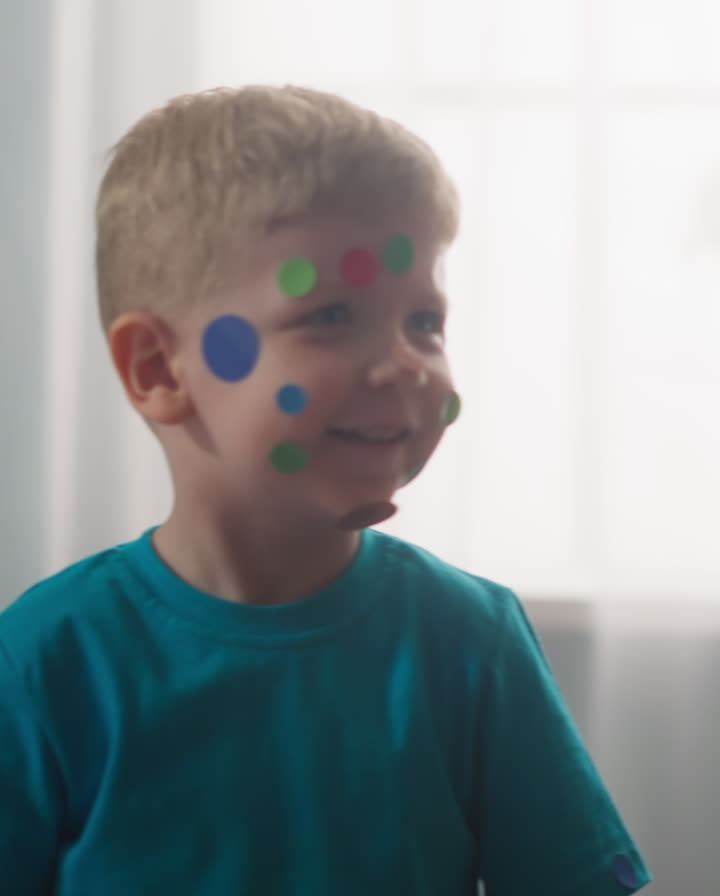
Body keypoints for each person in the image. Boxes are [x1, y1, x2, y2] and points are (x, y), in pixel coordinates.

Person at [0, 86, 652, 895]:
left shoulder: (470, 642)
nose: (407, 364)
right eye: (332, 315)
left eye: (425, 322)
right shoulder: (43, 661)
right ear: (159, 370)